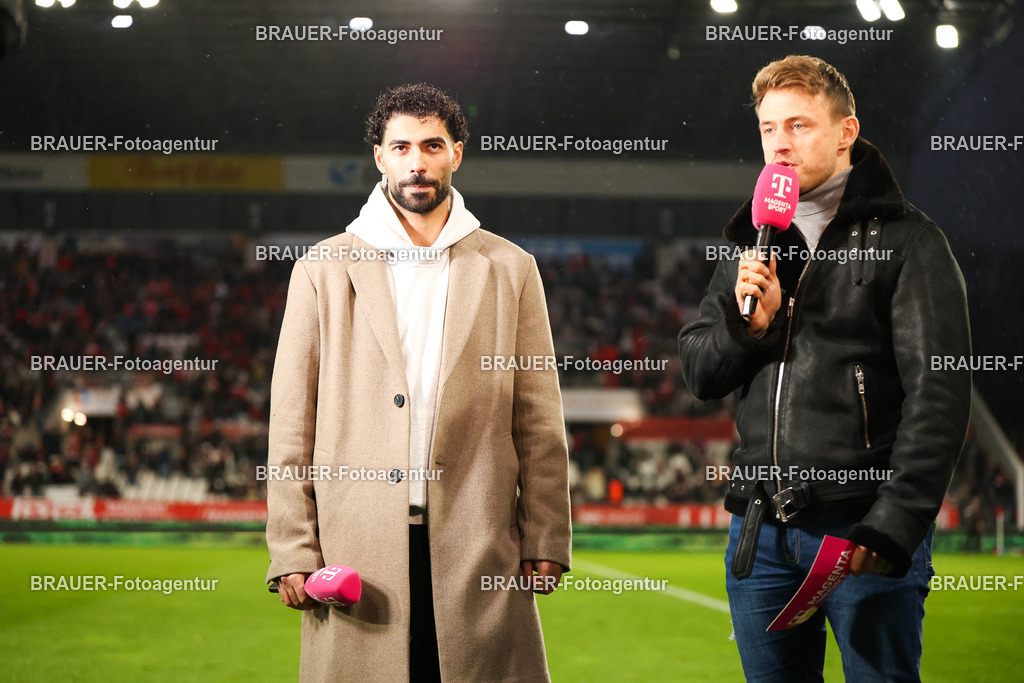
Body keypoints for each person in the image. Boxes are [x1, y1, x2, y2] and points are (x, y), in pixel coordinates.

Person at [678, 55, 971, 681]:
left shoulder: (911, 241)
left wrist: (896, 522)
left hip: (859, 531)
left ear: (846, 132)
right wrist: (749, 330)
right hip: (759, 534)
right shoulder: (748, 241)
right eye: (768, 128)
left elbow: (938, 393)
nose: (779, 144)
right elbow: (700, 373)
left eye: (799, 126)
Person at [266, 83, 571, 682]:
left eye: (432, 145)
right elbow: (291, 422)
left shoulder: (511, 268)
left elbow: (539, 420)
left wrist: (546, 534)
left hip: (480, 543)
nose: (416, 161)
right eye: (400, 146)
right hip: (358, 547)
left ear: (457, 153)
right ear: (379, 157)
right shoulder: (321, 269)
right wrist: (293, 548)